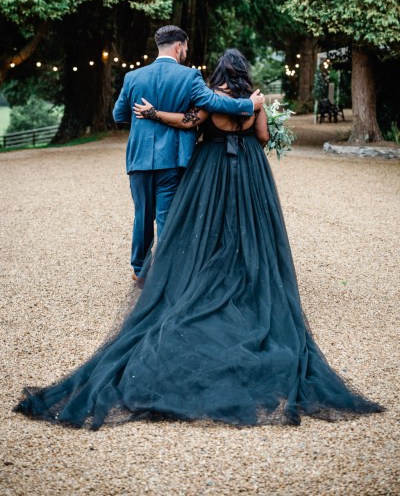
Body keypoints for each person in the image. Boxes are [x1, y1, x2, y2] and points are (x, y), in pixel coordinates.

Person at [14, 49, 385, 430]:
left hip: (210, 169)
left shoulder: (211, 98)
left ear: (220, 72)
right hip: (249, 173)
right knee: (250, 229)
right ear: (243, 71)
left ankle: (203, 274)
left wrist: (156, 115)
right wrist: (258, 116)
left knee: (207, 228)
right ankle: (245, 273)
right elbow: (262, 137)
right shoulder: (253, 100)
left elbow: (190, 123)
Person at [112, 26, 264, 280]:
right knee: (167, 217)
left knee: (142, 214)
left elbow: (119, 115)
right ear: (179, 46)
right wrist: (248, 104)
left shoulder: (133, 77)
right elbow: (214, 102)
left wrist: (146, 119)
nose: (186, 52)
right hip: (171, 158)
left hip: (138, 158)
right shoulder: (189, 76)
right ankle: (166, 270)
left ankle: (139, 269)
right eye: (186, 47)